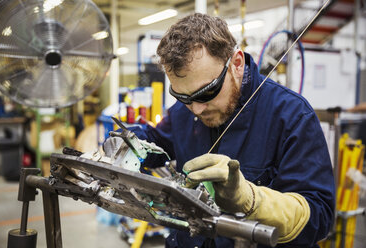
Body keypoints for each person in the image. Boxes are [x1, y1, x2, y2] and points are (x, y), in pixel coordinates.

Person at [125, 13, 335, 248]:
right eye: (182, 96)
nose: (195, 109)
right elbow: (157, 141)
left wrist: (251, 200)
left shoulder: (292, 115)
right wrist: (130, 144)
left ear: (236, 63)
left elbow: (320, 217)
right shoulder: (186, 109)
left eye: (206, 92)